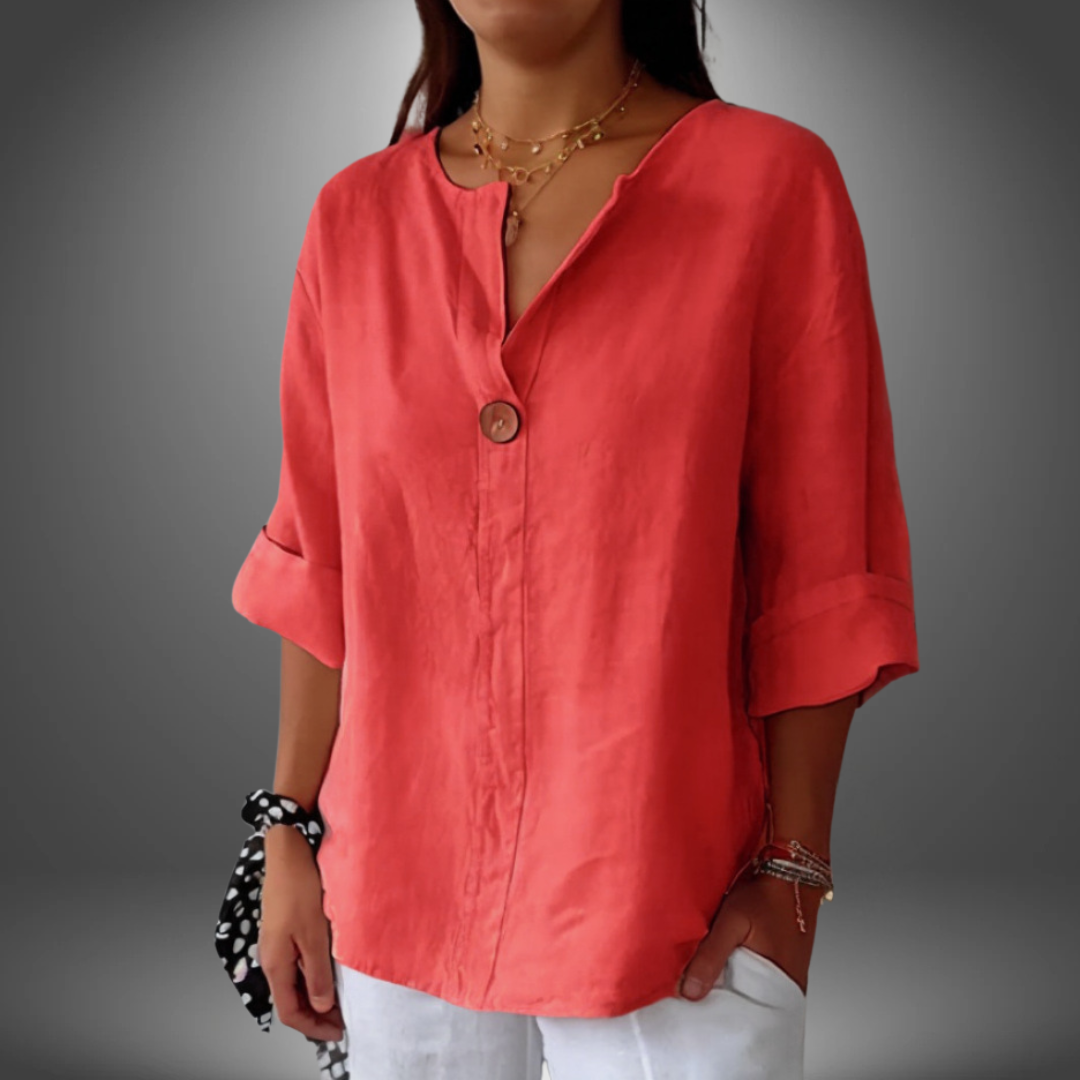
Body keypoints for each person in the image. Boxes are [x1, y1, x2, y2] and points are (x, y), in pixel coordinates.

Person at [229, 1, 920, 1076]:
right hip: (399, 910)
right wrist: (287, 838)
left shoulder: (771, 184)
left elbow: (823, 564)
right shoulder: (354, 219)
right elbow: (324, 565)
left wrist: (795, 870)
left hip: (675, 917)